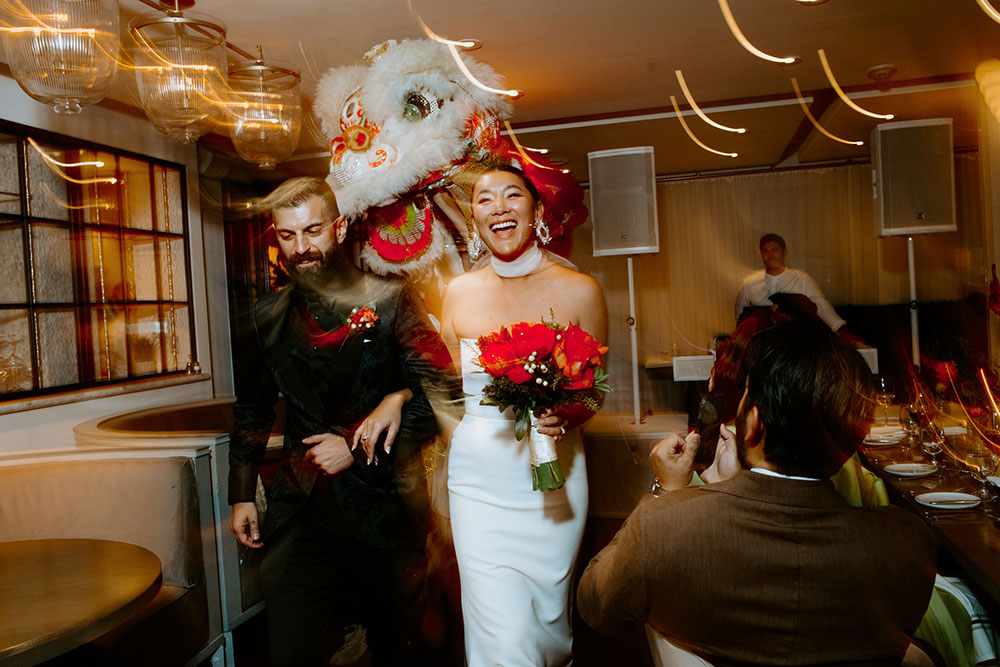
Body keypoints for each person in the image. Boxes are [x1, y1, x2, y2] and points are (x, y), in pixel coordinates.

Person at [577, 319, 937, 666]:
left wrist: (666, 492)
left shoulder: (665, 529)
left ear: (753, 423)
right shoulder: (908, 547)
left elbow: (596, 604)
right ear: (850, 439)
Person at [227, 177, 451, 667]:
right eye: (288, 236)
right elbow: (252, 408)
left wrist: (355, 445)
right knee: (290, 648)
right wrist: (242, 490)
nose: (302, 248)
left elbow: (442, 393)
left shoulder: (393, 298)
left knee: (398, 649)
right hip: (301, 508)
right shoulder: (267, 314)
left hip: (384, 506)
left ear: (339, 226)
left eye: (312, 231)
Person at [440, 165, 608, 666]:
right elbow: (445, 386)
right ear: (474, 218)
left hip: (553, 480)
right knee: (502, 634)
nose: (499, 207)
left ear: (536, 211)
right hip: (478, 481)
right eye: (485, 200)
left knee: (547, 621)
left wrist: (566, 417)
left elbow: (594, 394)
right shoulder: (458, 293)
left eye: (512, 195)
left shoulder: (581, 290)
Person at [735, 233, 850, 334]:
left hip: (797, 341)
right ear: (761, 255)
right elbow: (741, 314)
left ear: (784, 252)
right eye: (766, 251)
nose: (770, 255)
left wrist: (839, 328)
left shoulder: (802, 279)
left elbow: (821, 305)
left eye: (774, 250)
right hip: (762, 344)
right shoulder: (749, 283)